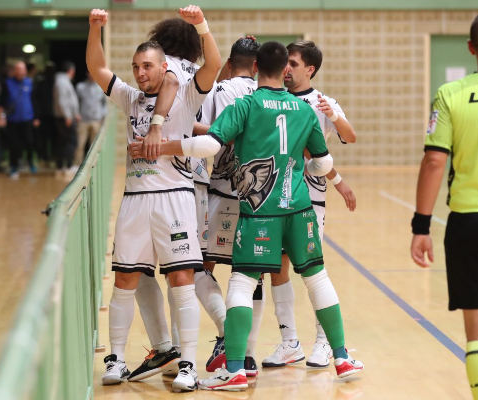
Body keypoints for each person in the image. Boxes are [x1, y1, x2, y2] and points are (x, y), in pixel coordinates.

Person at [131, 41, 364, 391]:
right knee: (317, 278)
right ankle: (342, 357)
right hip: (300, 209)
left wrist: (164, 147)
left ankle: (236, 369)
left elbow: (210, 145)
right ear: (284, 70)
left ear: (256, 68)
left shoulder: (246, 105)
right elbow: (323, 163)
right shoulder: (304, 109)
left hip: (259, 211)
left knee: (242, 283)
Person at [86, 6, 221, 392]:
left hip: (175, 199)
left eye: (147, 66)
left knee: (181, 278)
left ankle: (188, 365)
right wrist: (94, 28)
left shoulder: (188, 95)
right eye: (135, 67)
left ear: (164, 67)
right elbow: (97, 68)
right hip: (136, 200)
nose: (140, 73)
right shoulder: (130, 98)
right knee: (124, 279)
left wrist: (201, 25)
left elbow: (213, 63)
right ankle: (115, 359)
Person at [261, 40, 358, 370]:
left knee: (313, 271)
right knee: (278, 268)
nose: (287, 68)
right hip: (276, 197)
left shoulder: (321, 102)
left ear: (310, 69)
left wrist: (334, 116)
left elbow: (349, 136)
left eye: (294, 63)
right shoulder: (274, 98)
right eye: (285, 62)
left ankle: (325, 341)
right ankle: (290, 342)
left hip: (309, 198)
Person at [410, 9, 478, 400]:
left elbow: (434, 161)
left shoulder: (451, 94)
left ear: (471, 47)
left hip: (470, 223)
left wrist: (421, 226)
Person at [195, 37, 262, 375]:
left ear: (230, 62)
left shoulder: (219, 91)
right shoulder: (267, 95)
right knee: (252, 277)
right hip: (259, 199)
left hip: (223, 191)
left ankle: (225, 334)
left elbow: (201, 130)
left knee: (199, 267)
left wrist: (219, 132)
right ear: (257, 66)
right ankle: (248, 355)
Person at [0, 61, 39, 179]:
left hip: (27, 118)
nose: (22, 72)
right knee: (14, 145)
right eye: (19, 69)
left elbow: (35, 100)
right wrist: (1, 117)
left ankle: (31, 162)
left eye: (23, 69)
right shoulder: (7, 83)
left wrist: (36, 117)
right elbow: (1, 102)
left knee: (29, 142)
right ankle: (14, 166)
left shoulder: (30, 82)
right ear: (15, 71)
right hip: (12, 119)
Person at [54, 61, 80, 175]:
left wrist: (75, 113)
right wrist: (68, 116)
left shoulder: (63, 81)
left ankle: (61, 166)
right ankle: (68, 165)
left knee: (63, 141)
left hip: (65, 117)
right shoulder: (62, 82)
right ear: (71, 71)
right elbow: (62, 101)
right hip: (64, 118)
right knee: (71, 141)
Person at [75, 71, 106, 166]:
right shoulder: (80, 87)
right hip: (83, 120)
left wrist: (103, 116)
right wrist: (77, 114)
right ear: (87, 74)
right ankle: (77, 165)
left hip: (96, 120)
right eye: (90, 73)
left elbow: (104, 103)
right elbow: (76, 102)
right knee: (80, 144)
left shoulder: (101, 87)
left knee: (95, 146)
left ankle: (94, 165)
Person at [34, 62, 58, 167]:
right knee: (48, 138)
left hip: (50, 114)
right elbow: (36, 100)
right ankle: (47, 158)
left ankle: (48, 158)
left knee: (49, 138)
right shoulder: (44, 83)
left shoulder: (54, 83)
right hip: (47, 114)